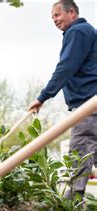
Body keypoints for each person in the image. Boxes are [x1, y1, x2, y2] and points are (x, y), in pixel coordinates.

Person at [28, 0, 96, 199]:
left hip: (88, 106)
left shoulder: (79, 32)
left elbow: (66, 67)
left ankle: (71, 205)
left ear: (72, 12)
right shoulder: (86, 31)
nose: (54, 20)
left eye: (57, 15)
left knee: (80, 151)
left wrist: (43, 96)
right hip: (91, 103)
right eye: (52, 18)